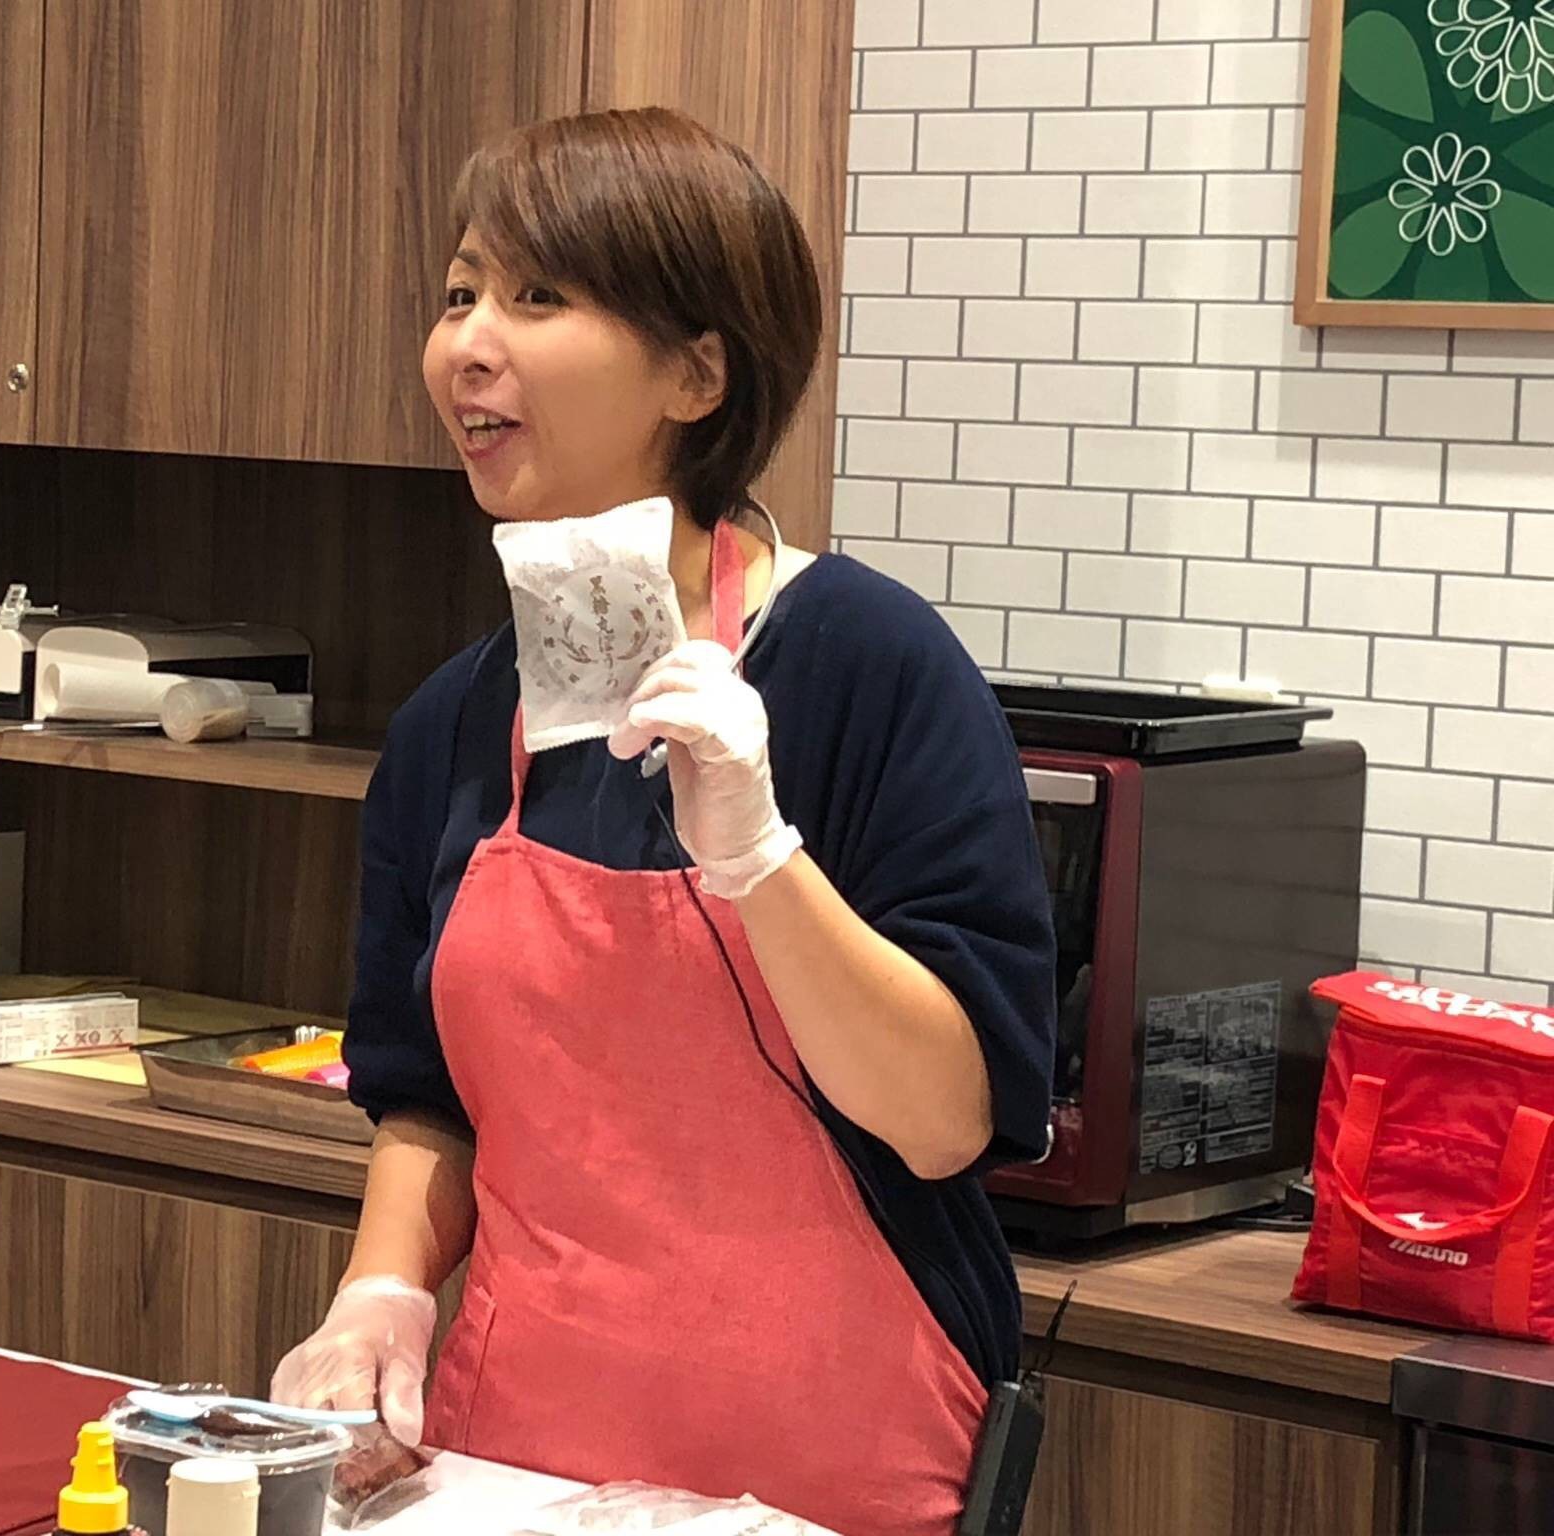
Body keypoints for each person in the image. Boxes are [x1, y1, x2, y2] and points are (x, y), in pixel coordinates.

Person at [271, 107, 1056, 1536]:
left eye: (537, 296)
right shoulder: (454, 721)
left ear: (699, 372)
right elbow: (426, 1089)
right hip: (514, 1472)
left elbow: (949, 1119)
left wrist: (761, 858)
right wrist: (381, 1291)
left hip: (831, 1480)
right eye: (459, 294)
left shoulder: (870, 665)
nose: (467, 344)